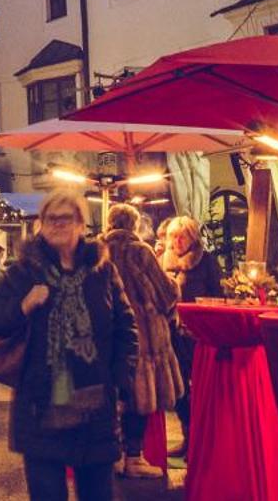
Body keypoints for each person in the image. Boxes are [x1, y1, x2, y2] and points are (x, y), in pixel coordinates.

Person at [0, 189, 137, 501]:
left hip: (96, 405)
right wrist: (22, 305)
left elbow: (125, 329)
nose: (59, 225)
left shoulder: (102, 270)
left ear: (81, 223)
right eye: (51, 218)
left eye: (67, 218)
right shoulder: (23, 271)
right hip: (41, 404)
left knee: (98, 494)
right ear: (41, 224)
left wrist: (121, 383)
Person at [99, 203, 182, 478]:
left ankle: (111, 456)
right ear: (134, 225)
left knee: (110, 396)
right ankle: (133, 458)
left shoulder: (96, 251)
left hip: (104, 337)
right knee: (139, 398)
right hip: (142, 336)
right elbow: (165, 293)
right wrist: (174, 282)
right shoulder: (140, 252)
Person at [159, 213, 223, 458]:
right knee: (177, 388)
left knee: (199, 387)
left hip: (197, 335)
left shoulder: (205, 262)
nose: (176, 241)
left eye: (181, 236)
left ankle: (203, 440)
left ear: (192, 237)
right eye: (173, 236)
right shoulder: (162, 261)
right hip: (171, 334)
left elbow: (217, 295)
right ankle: (188, 435)